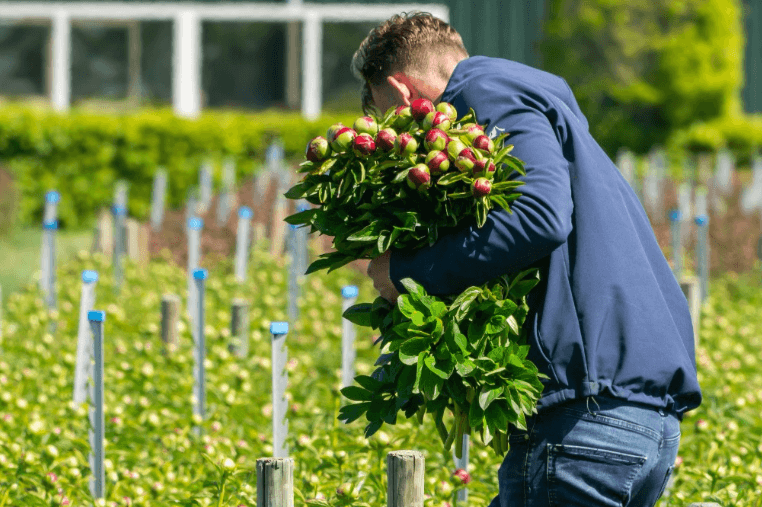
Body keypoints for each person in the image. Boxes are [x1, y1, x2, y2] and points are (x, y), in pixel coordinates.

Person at [351, 11, 702, 507]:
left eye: (389, 116)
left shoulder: (481, 96)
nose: (403, 137)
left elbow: (539, 216)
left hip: (587, 420)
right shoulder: (536, 103)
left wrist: (408, 271)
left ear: (402, 92)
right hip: (638, 418)